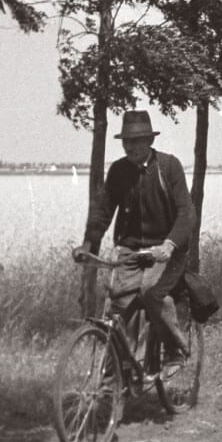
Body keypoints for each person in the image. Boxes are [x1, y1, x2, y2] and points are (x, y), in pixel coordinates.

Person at [75, 111, 195, 374]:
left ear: (149, 141)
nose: (130, 146)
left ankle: (175, 351)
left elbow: (187, 213)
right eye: (126, 141)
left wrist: (169, 245)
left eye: (136, 141)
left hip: (166, 251)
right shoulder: (118, 171)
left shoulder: (168, 167)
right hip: (131, 251)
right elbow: (103, 211)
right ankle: (118, 375)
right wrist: (88, 245)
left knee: (151, 292)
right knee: (118, 306)